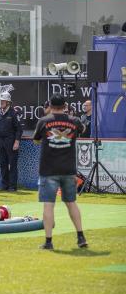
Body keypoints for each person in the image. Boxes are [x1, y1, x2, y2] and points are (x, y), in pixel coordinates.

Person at [33, 93, 88, 250]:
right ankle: (81, 237)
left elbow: (36, 140)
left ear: (50, 106)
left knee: (48, 205)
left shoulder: (43, 121)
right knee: (71, 203)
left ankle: (49, 241)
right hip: (68, 169)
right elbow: (82, 129)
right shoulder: (74, 121)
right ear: (65, 106)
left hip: (48, 169)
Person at [0, 92, 22, 191]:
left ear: (8, 102)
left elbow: (19, 129)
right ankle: (4, 185)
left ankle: (12, 186)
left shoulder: (14, 113)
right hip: (0, 141)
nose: (1, 102)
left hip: (11, 141)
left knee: (12, 165)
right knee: (3, 164)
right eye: (0, 100)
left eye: (3, 100)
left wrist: (17, 141)